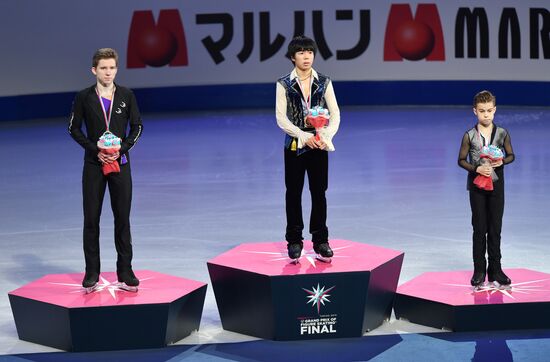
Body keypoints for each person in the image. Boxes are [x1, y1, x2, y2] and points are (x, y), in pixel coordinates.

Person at [69, 48, 143, 292]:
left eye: (112, 67)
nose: (108, 72)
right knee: (91, 219)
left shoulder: (126, 95)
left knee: (123, 219)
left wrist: (122, 148)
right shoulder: (83, 97)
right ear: (94, 70)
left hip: (121, 164)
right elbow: (74, 128)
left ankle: (125, 270)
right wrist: (94, 150)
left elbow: (137, 126)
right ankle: (92, 272)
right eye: (103, 68)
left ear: (116, 69)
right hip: (94, 165)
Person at [275, 35, 340, 262]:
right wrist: (304, 136)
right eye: (301, 52)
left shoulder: (324, 82)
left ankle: (321, 241)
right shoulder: (283, 83)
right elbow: (281, 118)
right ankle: (294, 241)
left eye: (310, 52)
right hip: (295, 145)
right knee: (293, 193)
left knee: (319, 192)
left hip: (319, 144)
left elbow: (335, 114)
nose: (306, 56)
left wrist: (323, 135)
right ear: (293, 57)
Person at [458, 90, 515, 288]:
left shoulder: (502, 133)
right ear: (475, 111)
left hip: (497, 187)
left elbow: (511, 155)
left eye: (489, 110)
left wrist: (501, 162)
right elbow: (461, 160)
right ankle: (479, 270)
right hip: (477, 189)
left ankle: (495, 270)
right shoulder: (469, 136)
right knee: (479, 228)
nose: (486, 115)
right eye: (482, 111)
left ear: (495, 110)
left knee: (495, 228)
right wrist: (476, 168)